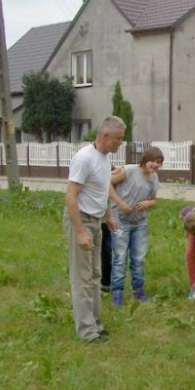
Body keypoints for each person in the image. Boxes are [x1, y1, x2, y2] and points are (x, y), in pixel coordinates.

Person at [63, 116, 125, 343]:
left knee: (95, 275)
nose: (120, 143)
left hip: (97, 221)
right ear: (104, 136)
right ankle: (87, 332)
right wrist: (80, 231)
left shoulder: (105, 157)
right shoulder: (84, 158)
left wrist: (108, 216)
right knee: (82, 278)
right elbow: (70, 196)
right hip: (81, 220)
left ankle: (96, 324)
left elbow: (100, 190)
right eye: (118, 139)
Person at [108, 146, 163, 306]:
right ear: (146, 159)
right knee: (120, 258)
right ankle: (117, 293)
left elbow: (154, 199)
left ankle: (138, 291)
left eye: (159, 162)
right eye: (153, 161)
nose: (155, 165)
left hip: (140, 223)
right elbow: (107, 184)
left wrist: (148, 203)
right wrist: (121, 203)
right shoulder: (130, 170)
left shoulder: (154, 177)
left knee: (139, 258)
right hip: (120, 221)